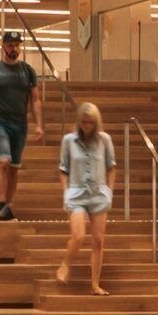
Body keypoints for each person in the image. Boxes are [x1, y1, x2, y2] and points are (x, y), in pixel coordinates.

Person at [53, 102, 118, 292]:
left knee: (98, 240)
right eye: (84, 122)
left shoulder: (104, 139)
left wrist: (109, 191)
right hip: (76, 192)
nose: (87, 126)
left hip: (99, 193)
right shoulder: (69, 140)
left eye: (91, 122)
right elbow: (63, 169)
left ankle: (95, 284)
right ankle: (65, 264)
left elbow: (111, 167)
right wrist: (66, 191)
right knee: (79, 235)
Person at [0, 30, 41, 221]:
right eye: (10, 45)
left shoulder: (27, 71)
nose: (14, 48)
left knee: (14, 166)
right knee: (4, 161)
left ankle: (7, 205)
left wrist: (39, 124)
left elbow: (35, 99)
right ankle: (1, 203)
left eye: (16, 45)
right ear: (3, 46)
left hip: (20, 123)